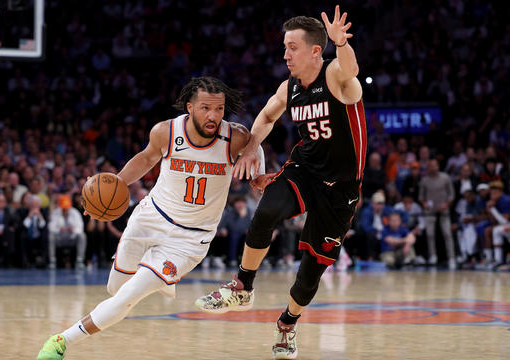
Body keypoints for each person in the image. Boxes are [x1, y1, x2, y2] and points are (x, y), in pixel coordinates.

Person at [37, 77, 259, 359]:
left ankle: (60, 342)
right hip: (151, 217)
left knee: (128, 296)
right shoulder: (166, 132)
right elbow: (145, 159)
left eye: (219, 109)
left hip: (189, 239)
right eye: (205, 108)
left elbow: (256, 145)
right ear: (190, 107)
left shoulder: (235, 137)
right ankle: (162, 279)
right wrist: (112, 186)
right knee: (114, 288)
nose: (213, 116)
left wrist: (255, 160)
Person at [194, 7, 366, 359]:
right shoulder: (289, 88)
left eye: (292, 47)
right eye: (284, 47)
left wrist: (342, 43)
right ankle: (242, 286)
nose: (285, 54)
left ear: (315, 51)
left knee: (310, 275)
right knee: (267, 208)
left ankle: (287, 324)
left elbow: (351, 71)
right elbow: (268, 114)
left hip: (342, 188)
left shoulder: (334, 75)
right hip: (304, 170)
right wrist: (251, 149)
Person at [47, 195, 86, 269]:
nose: (65, 210)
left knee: (82, 236)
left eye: (66, 208)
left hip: (72, 239)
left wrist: (73, 230)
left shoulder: (75, 213)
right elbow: (50, 227)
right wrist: (59, 229)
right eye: (63, 208)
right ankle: (52, 261)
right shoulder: (55, 213)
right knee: (51, 236)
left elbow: (80, 228)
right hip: (60, 239)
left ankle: (80, 261)